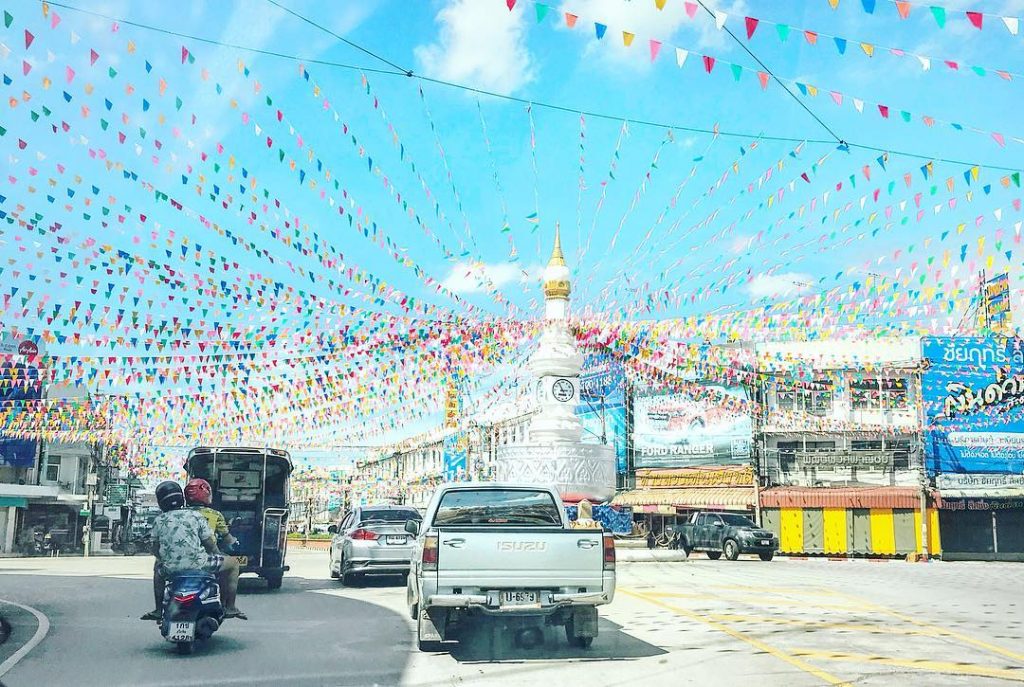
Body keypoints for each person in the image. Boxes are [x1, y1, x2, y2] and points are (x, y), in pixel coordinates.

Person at [140, 481, 246, 621]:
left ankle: (158, 610)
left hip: (170, 568)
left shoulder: (159, 520)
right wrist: (218, 553)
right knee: (234, 564)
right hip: (199, 564)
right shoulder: (197, 516)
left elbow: (154, 547)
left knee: (157, 568)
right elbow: (210, 544)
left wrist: (163, 559)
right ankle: (230, 607)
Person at [183, 478, 239, 554]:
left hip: (184, 553)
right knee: (232, 562)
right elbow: (227, 538)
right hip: (206, 556)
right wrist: (234, 541)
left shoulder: (180, 514)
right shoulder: (215, 514)